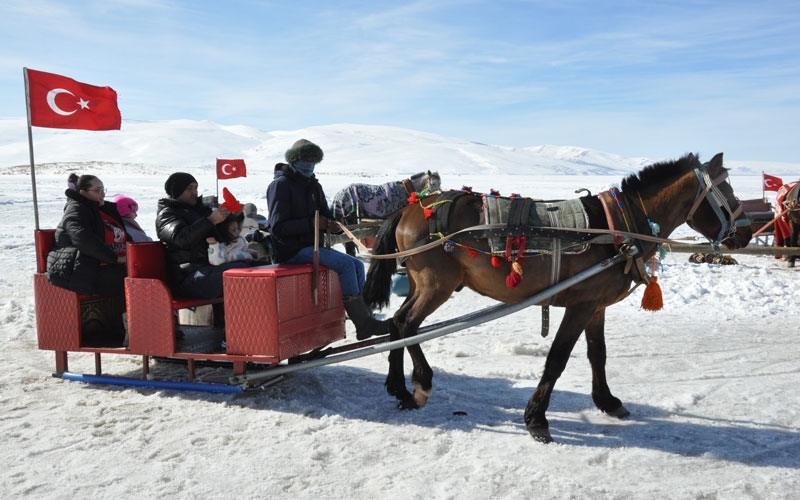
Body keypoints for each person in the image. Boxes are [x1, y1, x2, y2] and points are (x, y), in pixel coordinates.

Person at [267, 139, 390, 340]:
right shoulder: (280, 185)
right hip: (291, 250)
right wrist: (315, 224)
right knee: (347, 266)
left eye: (314, 160)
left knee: (357, 265)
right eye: (307, 159)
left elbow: (326, 215)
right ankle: (363, 323)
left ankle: (366, 317)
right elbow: (278, 227)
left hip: (312, 246)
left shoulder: (314, 186)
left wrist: (333, 223)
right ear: (295, 160)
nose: (310, 165)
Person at [155, 172, 248, 300]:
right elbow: (181, 239)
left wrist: (234, 217)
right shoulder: (167, 215)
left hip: (211, 268)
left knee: (259, 267)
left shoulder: (201, 210)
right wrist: (210, 221)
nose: (195, 192)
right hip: (189, 276)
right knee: (243, 273)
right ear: (177, 191)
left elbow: (224, 235)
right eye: (189, 188)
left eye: (196, 187)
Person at [46, 174, 130, 296]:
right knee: (129, 280)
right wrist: (115, 258)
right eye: (97, 190)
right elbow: (83, 239)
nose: (103, 195)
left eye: (103, 190)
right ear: (83, 193)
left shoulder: (103, 210)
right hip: (81, 269)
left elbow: (125, 237)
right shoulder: (76, 210)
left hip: (110, 264)